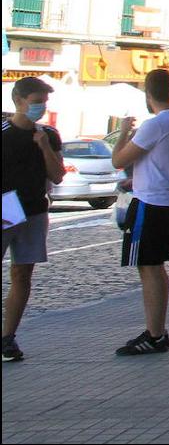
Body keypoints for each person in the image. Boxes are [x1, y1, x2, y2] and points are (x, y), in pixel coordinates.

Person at [109, 68, 169, 355]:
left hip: (152, 202)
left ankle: (155, 333)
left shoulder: (155, 125)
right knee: (155, 265)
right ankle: (157, 330)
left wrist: (123, 132)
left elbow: (118, 160)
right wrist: (140, 178)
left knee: (148, 266)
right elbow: (165, 162)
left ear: (148, 95)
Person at [2, 77, 66, 362]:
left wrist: (44, 147)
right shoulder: (4, 133)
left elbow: (57, 175)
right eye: (36, 102)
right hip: (5, 206)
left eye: (44, 102)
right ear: (19, 101)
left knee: (22, 273)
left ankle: (7, 337)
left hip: (35, 210)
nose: (41, 107)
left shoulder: (48, 134)